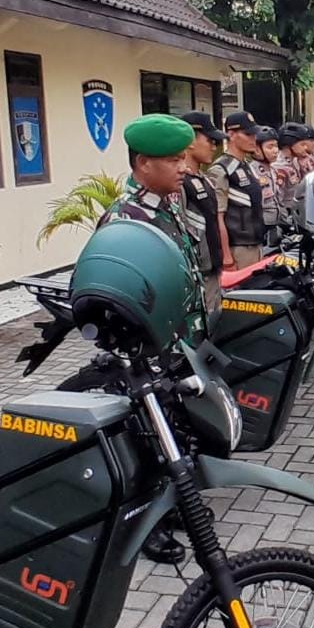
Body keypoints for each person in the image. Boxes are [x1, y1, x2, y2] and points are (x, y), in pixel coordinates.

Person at [100, 114, 207, 565]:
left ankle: (173, 503)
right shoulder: (126, 217)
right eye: (174, 160)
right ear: (144, 163)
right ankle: (147, 526)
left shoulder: (169, 202)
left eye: (184, 158)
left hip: (179, 339)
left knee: (175, 429)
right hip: (148, 349)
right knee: (148, 436)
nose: (184, 167)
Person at [180, 112, 226, 312]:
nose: (214, 147)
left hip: (212, 269)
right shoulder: (180, 183)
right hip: (197, 274)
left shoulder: (204, 179)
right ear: (190, 140)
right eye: (210, 141)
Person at [207, 112, 266, 270]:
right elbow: (218, 216)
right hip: (238, 248)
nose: (254, 139)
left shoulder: (246, 165)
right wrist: (226, 256)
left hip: (256, 244)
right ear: (231, 135)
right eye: (248, 134)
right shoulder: (221, 169)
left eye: (255, 134)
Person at [252, 125, 285, 245]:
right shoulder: (252, 171)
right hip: (261, 227)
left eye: (276, 146)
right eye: (270, 147)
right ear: (256, 149)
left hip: (276, 225)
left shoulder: (273, 170)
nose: (276, 150)